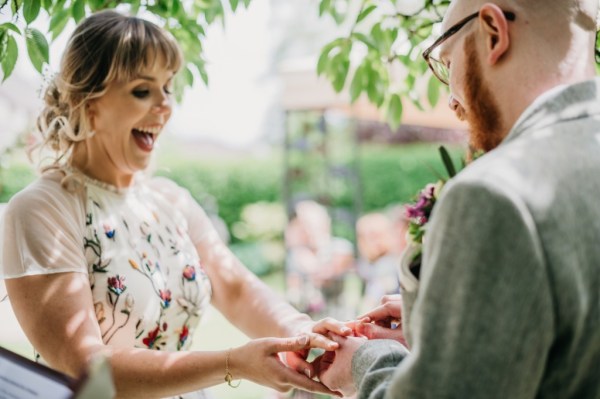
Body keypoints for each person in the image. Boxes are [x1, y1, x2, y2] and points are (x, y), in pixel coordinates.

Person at [0, 11, 352, 399]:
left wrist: (302, 332)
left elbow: (235, 289)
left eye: (167, 88)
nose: (164, 105)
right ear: (89, 102)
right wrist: (234, 363)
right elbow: (88, 368)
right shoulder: (41, 210)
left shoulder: (169, 200)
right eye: (141, 90)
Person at [313, 0, 600, 398]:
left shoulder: (495, 194)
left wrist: (365, 363)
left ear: (493, 32)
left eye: (446, 62)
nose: (451, 101)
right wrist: (438, 325)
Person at [355, 213, 401, 313]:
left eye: (376, 236)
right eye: (364, 237)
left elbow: (372, 298)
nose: (372, 242)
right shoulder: (368, 265)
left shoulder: (387, 265)